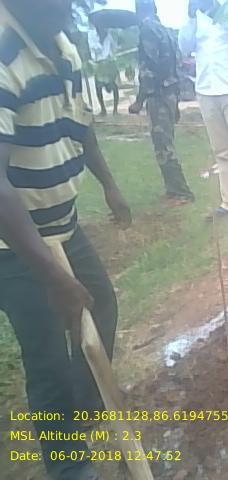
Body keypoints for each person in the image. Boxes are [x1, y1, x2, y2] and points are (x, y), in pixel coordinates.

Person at [0, 0, 132, 478]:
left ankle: (85, 414)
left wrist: (110, 185)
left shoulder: (61, 43)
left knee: (101, 305)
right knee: (48, 358)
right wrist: (54, 278)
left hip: (63, 223)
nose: (68, 8)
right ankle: (70, 466)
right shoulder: (5, 53)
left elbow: (79, 124)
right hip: (13, 244)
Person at [179, 0, 228, 224]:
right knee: (222, 151)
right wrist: (191, 17)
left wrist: (220, 13)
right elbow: (184, 47)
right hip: (207, 91)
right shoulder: (197, 18)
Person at [129, 0, 195, 206]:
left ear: (138, 11)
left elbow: (148, 68)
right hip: (170, 93)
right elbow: (176, 67)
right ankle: (173, 190)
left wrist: (139, 100)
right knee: (166, 142)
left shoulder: (147, 30)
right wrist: (176, 101)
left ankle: (180, 192)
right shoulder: (165, 31)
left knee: (163, 145)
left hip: (158, 95)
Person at [88, 25, 119, 116]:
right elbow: (91, 49)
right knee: (98, 86)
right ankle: (103, 109)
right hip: (98, 64)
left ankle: (115, 110)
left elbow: (114, 48)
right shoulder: (91, 35)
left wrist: (113, 54)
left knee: (114, 86)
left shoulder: (109, 35)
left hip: (109, 63)